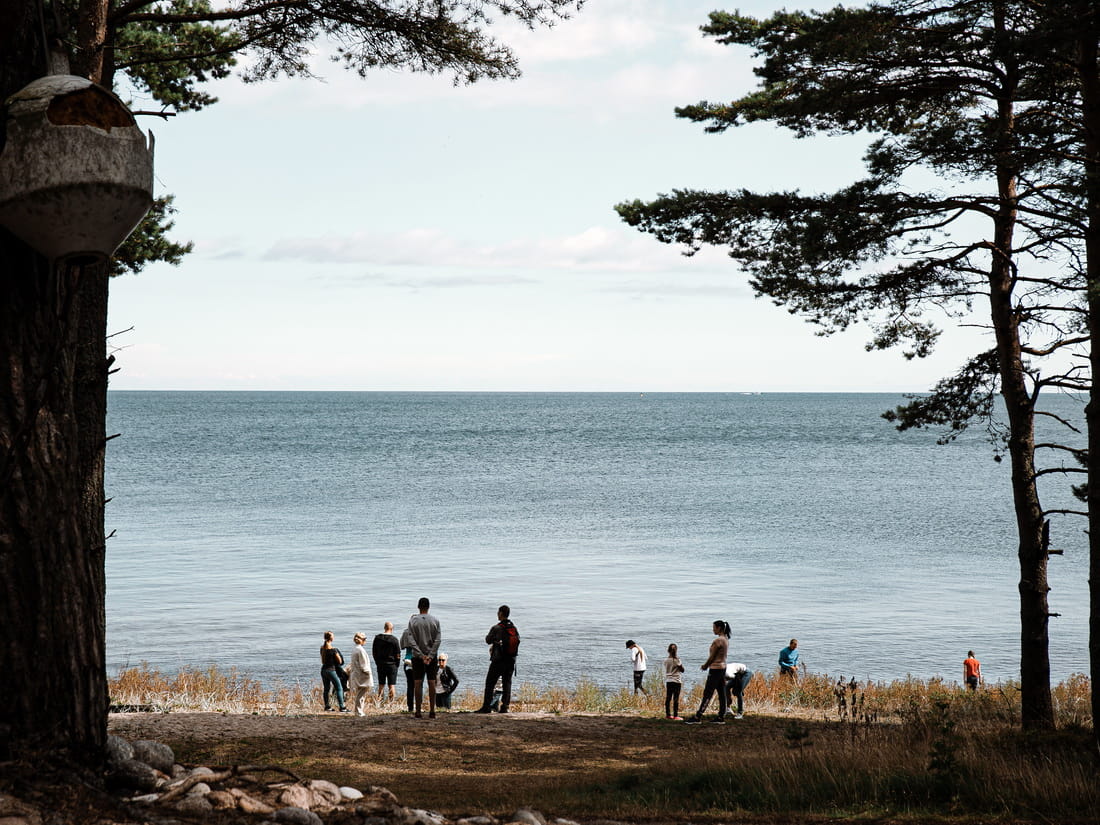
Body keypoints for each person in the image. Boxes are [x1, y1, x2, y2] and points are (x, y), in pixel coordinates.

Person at [684, 620, 731, 724]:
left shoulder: (718, 641)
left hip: (715, 669)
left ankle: (698, 716)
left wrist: (705, 666)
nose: (713, 629)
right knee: (722, 693)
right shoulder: (726, 640)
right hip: (723, 668)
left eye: (714, 627)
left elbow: (712, 656)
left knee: (708, 693)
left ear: (719, 628)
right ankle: (721, 717)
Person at [476, 605, 520, 713]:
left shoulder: (497, 628)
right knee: (507, 683)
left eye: (498, 612)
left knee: (490, 683)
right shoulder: (513, 628)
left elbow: (487, 640)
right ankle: (505, 707)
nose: (497, 614)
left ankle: (486, 707)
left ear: (500, 613)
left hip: (499, 660)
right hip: (511, 660)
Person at [406, 596, 442, 718]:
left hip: (417, 656)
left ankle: (418, 711)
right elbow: (438, 640)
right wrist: (430, 655)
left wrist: (421, 655)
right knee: (432, 682)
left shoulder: (413, 621)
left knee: (417, 683)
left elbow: (411, 640)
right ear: (428, 607)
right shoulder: (435, 620)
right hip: (431, 656)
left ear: (418, 606)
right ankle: (432, 710)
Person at [372, 621, 401, 703]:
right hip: (392, 665)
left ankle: (379, 702)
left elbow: (374, 652)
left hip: (381, 664)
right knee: (391, 685)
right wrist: (397, 664)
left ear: (384, 628)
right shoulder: (394, 640)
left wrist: (377, 662)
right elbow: (398, 654)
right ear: (392, 629)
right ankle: (391, 703)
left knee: (381, 685)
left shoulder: (377, 638)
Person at [348, 632, 375, 716]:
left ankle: (358, 710)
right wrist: (369, 672)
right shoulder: (361, 650)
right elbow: (364, 665)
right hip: (362, 676)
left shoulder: (355, 649)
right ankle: (358, 711)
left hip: (356, 674)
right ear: (362, 640)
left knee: (360, 694)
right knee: (361, 694)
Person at [319, 630, 347, 712]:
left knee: (326, 689)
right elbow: (340, 661)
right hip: (331, 671)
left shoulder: (322, 649)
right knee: (339, 688)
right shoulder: (333, 650)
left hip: (323, 670)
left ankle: (327, 706)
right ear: (331, 638)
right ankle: (342, 707)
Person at [663, 643, 685, 720]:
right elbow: (682, 670)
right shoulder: (677, 660)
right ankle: (675, 715)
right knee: (676, 698)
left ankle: (668, 714)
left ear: (668, 650)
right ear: (676, 650)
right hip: (676, 681)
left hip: (668, 680)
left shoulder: (665, 660)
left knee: (668, 698)